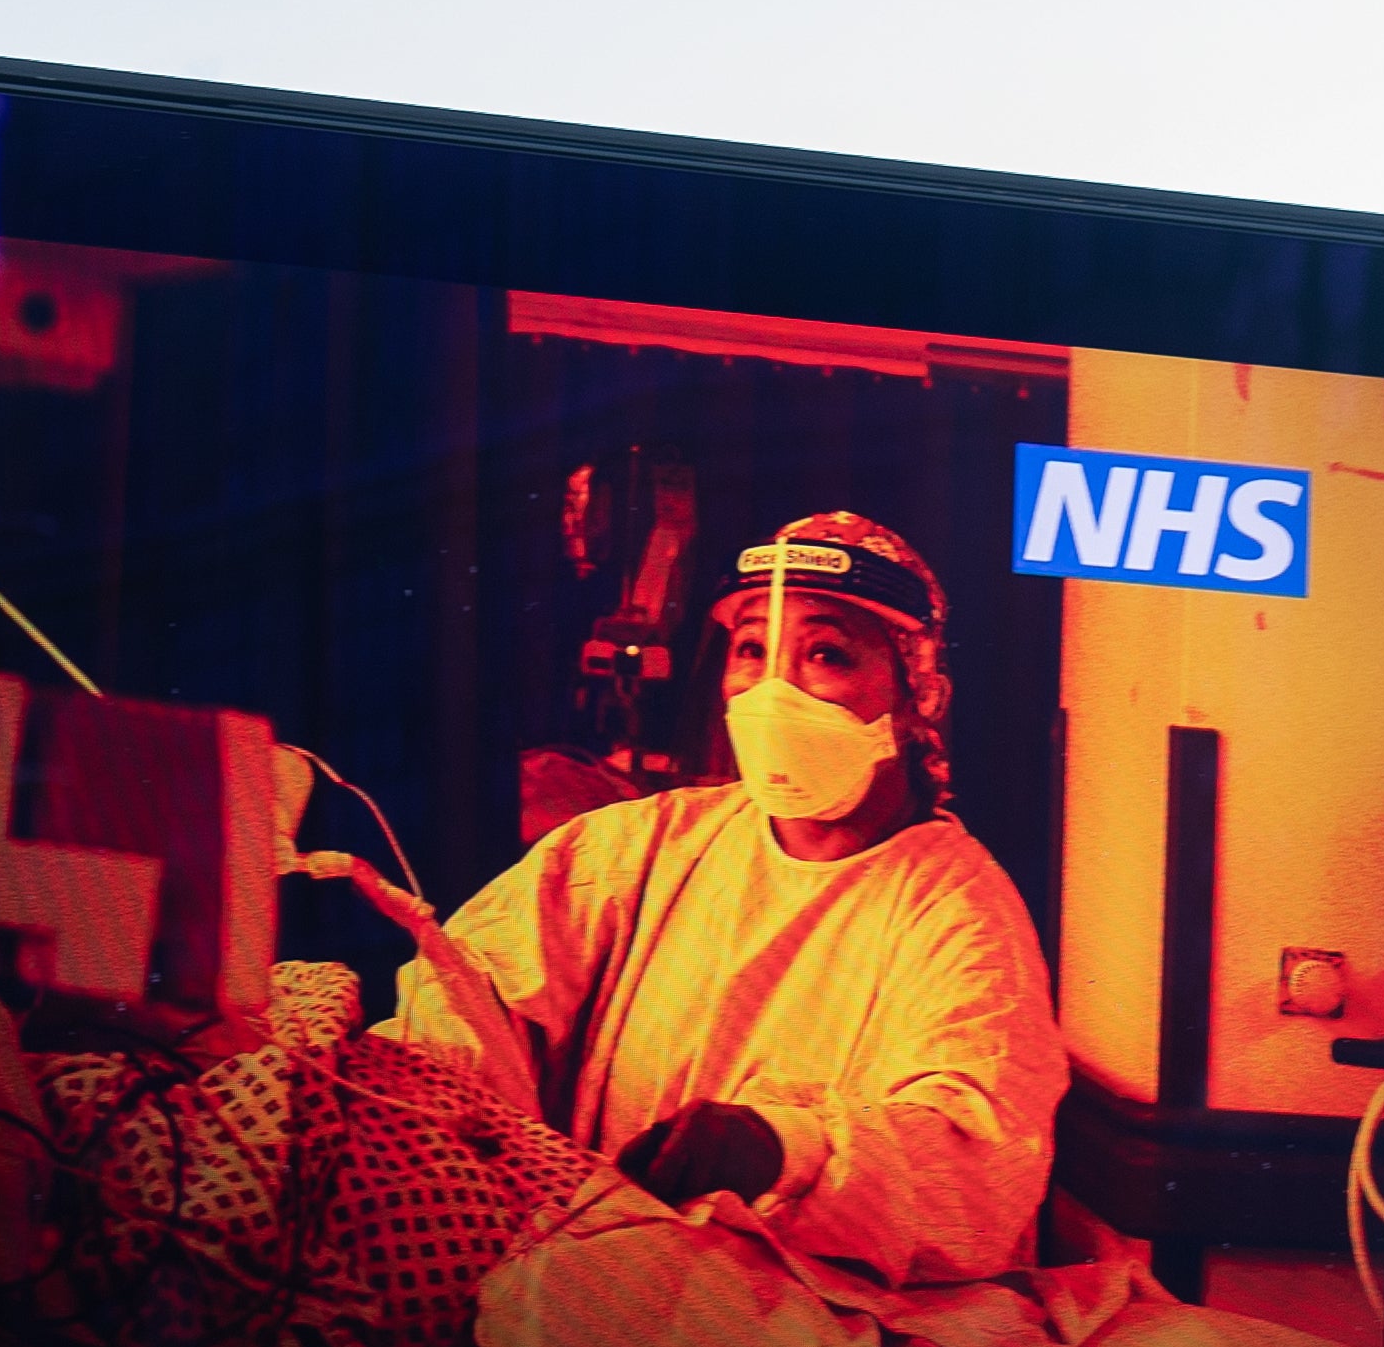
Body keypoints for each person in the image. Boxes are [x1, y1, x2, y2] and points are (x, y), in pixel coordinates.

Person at [380, 508, 1066, 1290]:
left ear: (916, 694)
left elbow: (973, 1165)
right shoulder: (637, 848)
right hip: (592, 1272)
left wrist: (780, 1147)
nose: (773, 692)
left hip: (804, 1318)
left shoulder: (956, 908)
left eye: (825, 654)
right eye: (751, 651)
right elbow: (466, 1001)